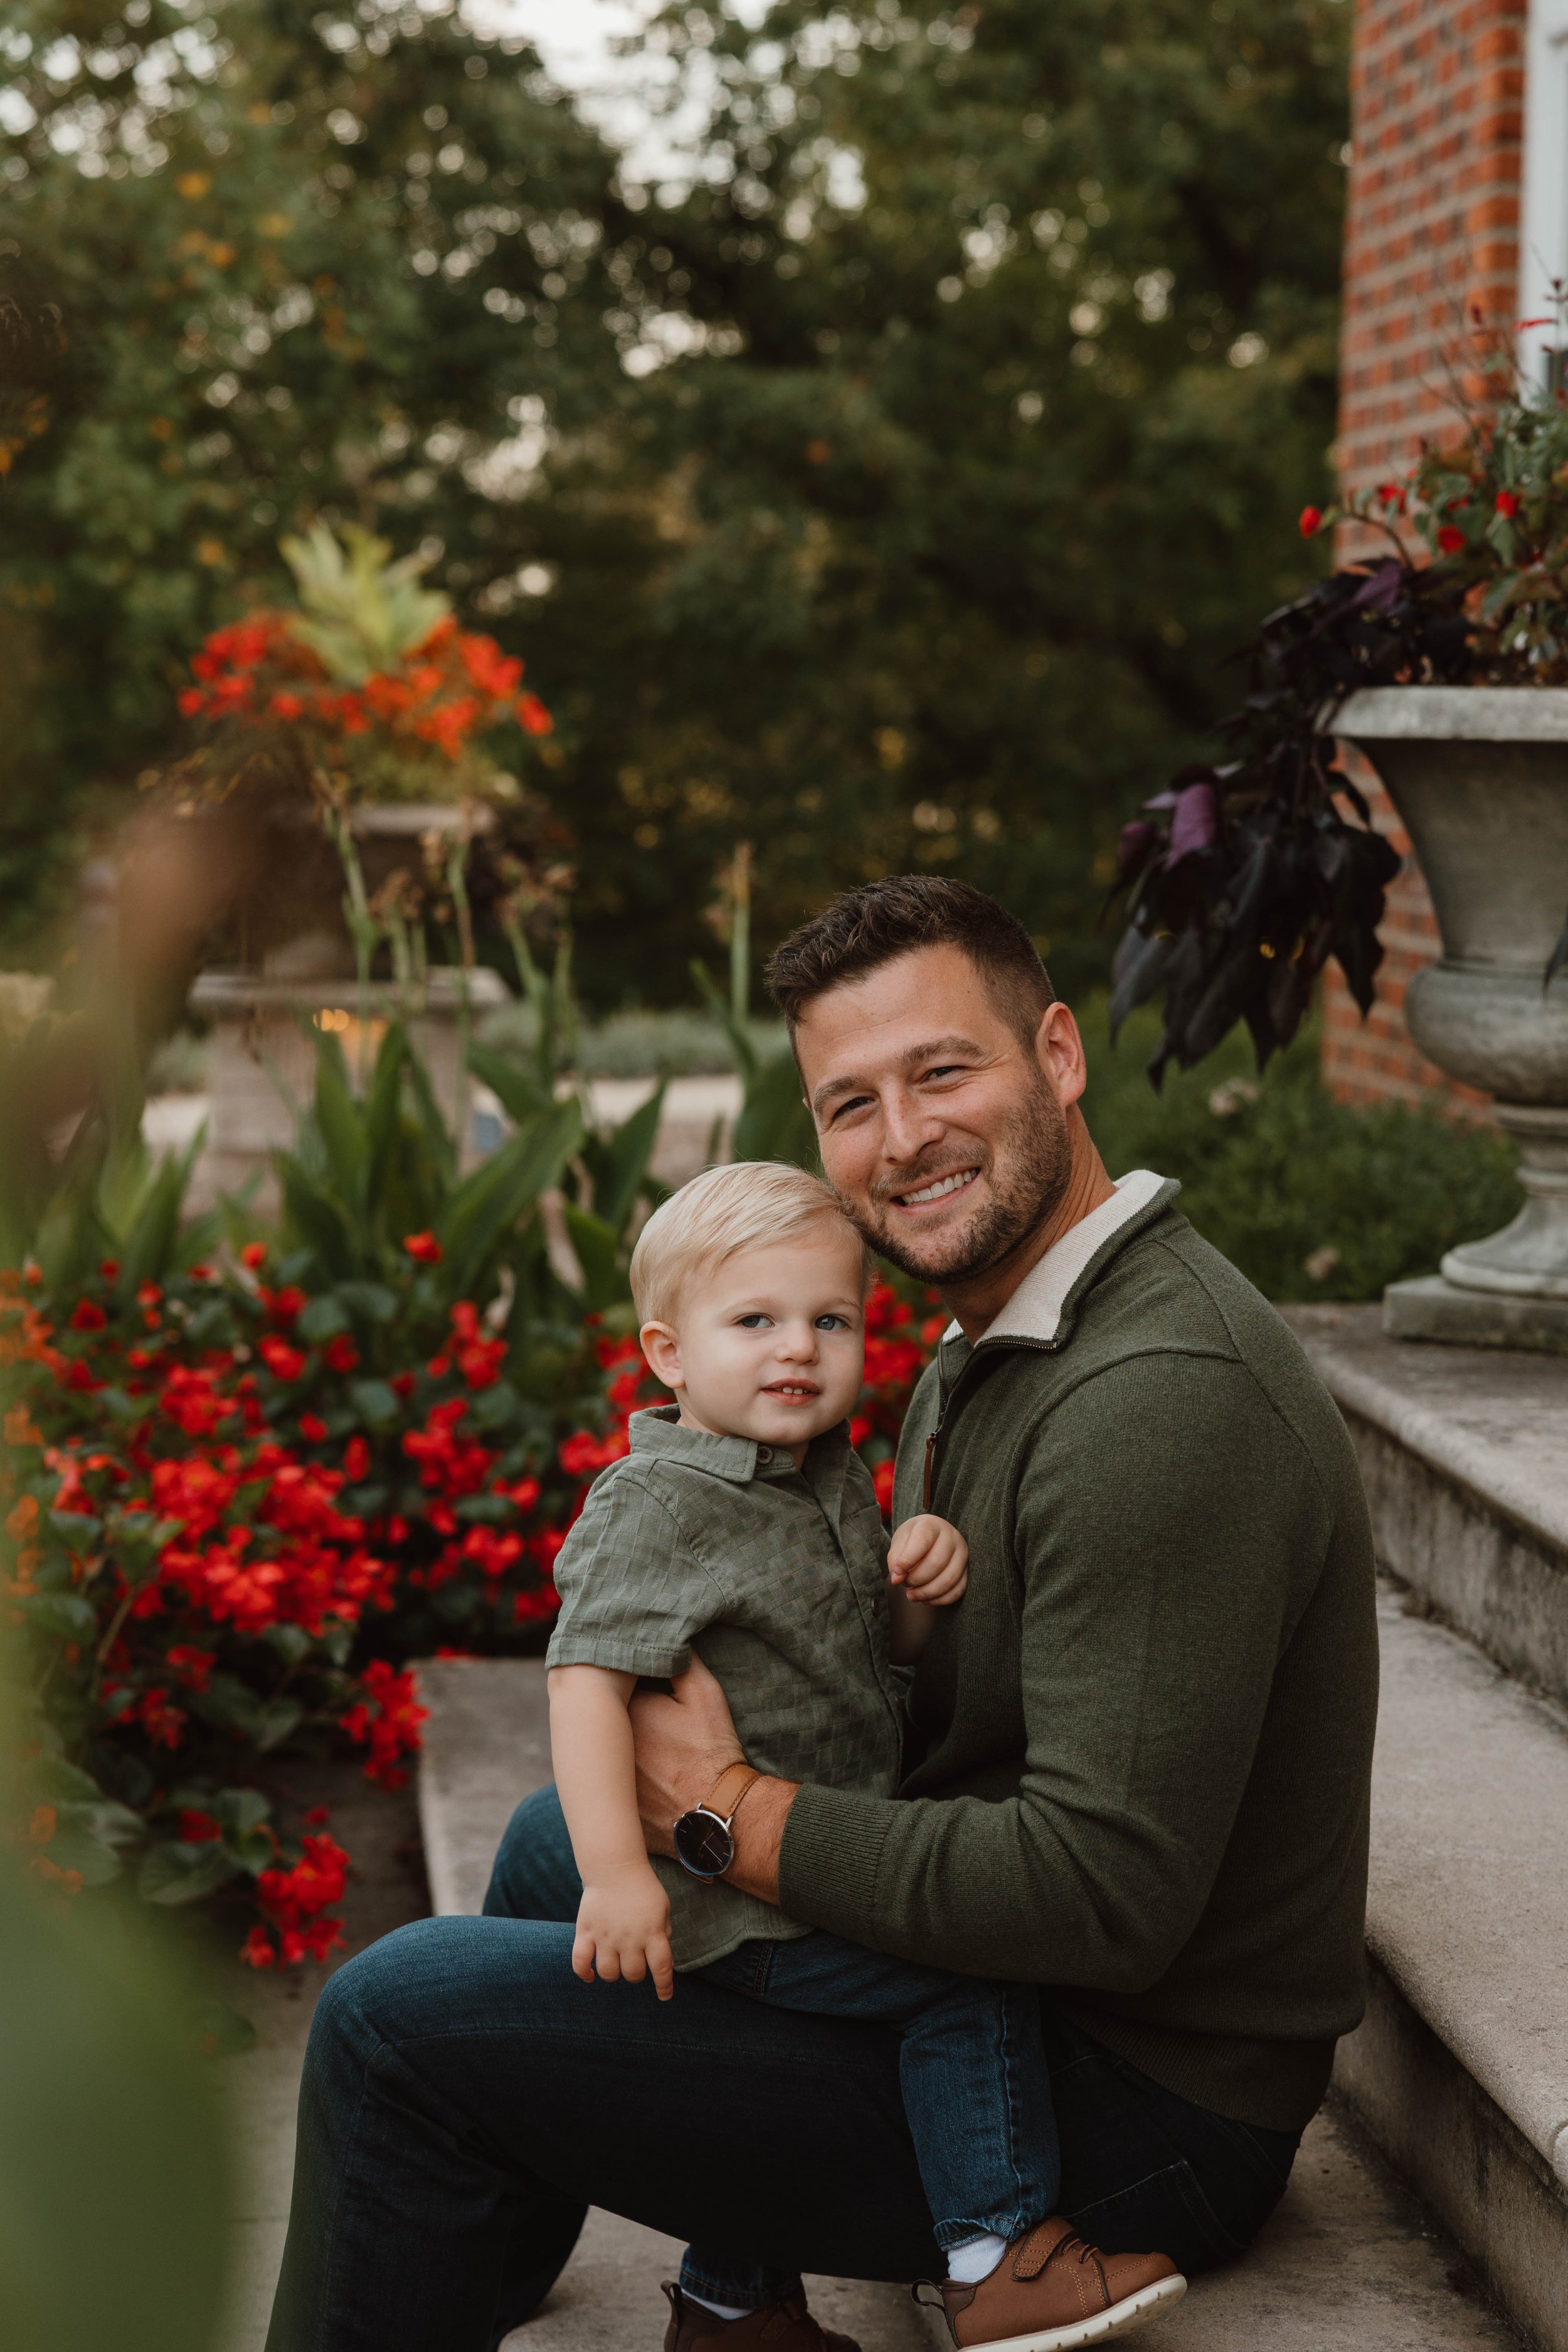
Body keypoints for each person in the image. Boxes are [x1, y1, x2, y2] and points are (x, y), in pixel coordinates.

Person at [265, 875, 1379, 2352]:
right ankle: (627, 2284)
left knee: (391, 2016)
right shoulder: (992, 1339)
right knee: (553, 1846)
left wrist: (726, 1809)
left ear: (1055, 1055)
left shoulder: (1155, 1405)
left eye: (940, 1071)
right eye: (847, 1102)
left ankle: (498, 2216)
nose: (900, 1137)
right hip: (1022, 2008)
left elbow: (1098, 1897)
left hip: (1133, 2109)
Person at [545, 1158, 1185, 2349]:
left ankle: (731, 2304)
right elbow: (585, 1682)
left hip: (816, 1843)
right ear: (668, 1352)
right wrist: (615, 1875)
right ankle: (998, 2257)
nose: (799, 1349)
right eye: (756, 1321)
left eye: (828, 1320)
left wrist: (919, 1584)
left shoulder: (826, 1472)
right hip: (727, 1890)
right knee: (966, 1975)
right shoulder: (658, 1503)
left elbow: (866, 1650)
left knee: (804, 2066)